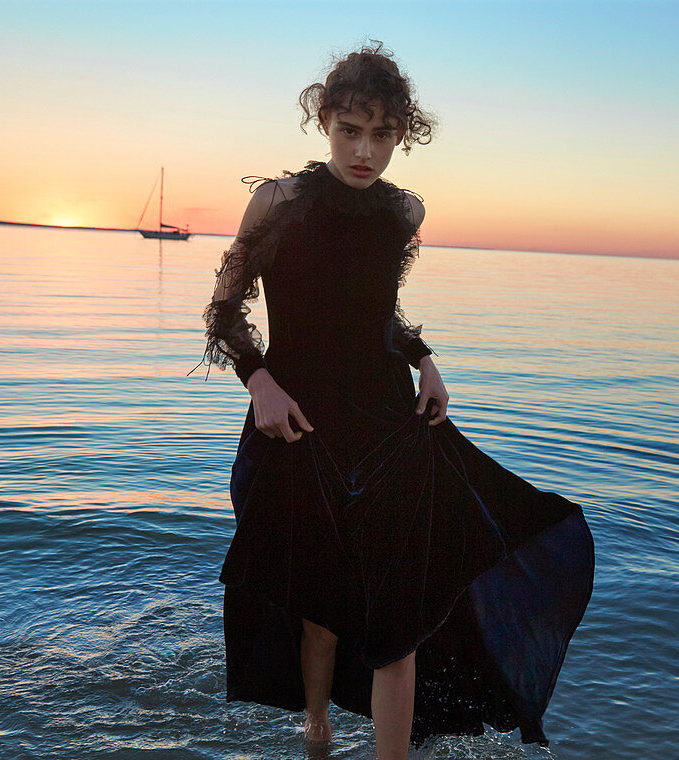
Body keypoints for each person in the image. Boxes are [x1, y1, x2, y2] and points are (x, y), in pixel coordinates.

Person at [198, 42, 594, 760]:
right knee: (319, 614)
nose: (365, 150)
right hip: (300, 429)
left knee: (399, 621)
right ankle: (315, 735)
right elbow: (226, 309)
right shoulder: (279, 203)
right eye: (351, 129)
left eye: (382, 135)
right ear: (325, 121)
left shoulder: (403, 212)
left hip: (391, 429)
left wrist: (424, 360)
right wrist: (259, 381)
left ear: (402, 136)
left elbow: (377, 311)